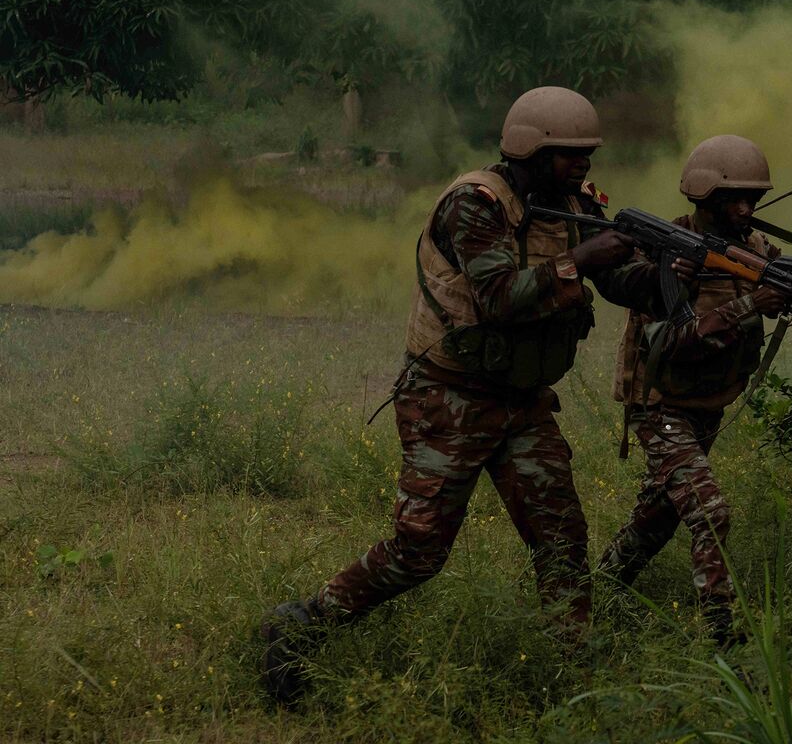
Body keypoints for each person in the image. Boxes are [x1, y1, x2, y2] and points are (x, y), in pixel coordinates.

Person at [262, 86, 674, 704]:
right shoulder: (475, 205)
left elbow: (619, 282)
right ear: (531, 150)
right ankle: (302, 626)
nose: (583, 164)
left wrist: (672, 272)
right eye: (569, 154)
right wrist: (581, 260)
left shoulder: (573, 204)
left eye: (587, 152)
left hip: (523, 402)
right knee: (419, 551)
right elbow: (499, 297)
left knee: (561, 537)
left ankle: (577, 682)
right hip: (448, 398)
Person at [600, 134, 792, 644]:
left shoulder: (760, 252)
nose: (745, 210)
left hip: (707, 406)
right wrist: (749, 305)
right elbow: (667, 343)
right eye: (733, 199)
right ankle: (723, 637)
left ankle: (597, 591)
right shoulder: (666, 253)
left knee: (659, 517)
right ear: (704, 197)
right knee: (709, 512)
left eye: (751, 199)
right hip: (659, 406)